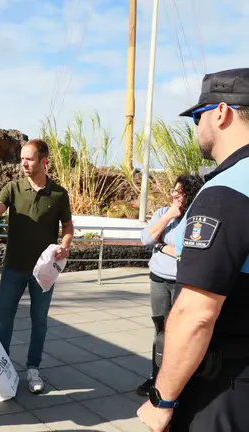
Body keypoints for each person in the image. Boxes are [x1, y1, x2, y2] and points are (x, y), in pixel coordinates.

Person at [137, 68, 249, 432]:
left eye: (198, 116)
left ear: (221, 112)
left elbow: (196, 312)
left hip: (228, 387)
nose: (196, 126)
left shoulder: (225, 191)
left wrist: (161, 400)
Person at [0, 139, 73, 394]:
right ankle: (2, 368)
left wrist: (65, 244)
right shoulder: (13, 188)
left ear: (44, 161)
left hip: (42, 272)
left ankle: (33, 368)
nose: (23, 163)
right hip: (13, 268)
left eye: (29, 158)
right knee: (5, 322)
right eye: (22, 158)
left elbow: (67, 226)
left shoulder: (58, 194)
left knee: (39, 321)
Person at [136, 174, 204, 396]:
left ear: (190, 195)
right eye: (173, 191)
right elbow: (146, 239)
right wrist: (168, 216)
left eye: (179, 192)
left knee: (180, 333)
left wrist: (162, 246)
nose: (174, 195)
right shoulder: (161, 213)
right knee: (160, 332)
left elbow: (188, 252)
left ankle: (178, 382)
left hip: (181, 283)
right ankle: (155, 378)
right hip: (158, 279)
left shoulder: (195, 218)